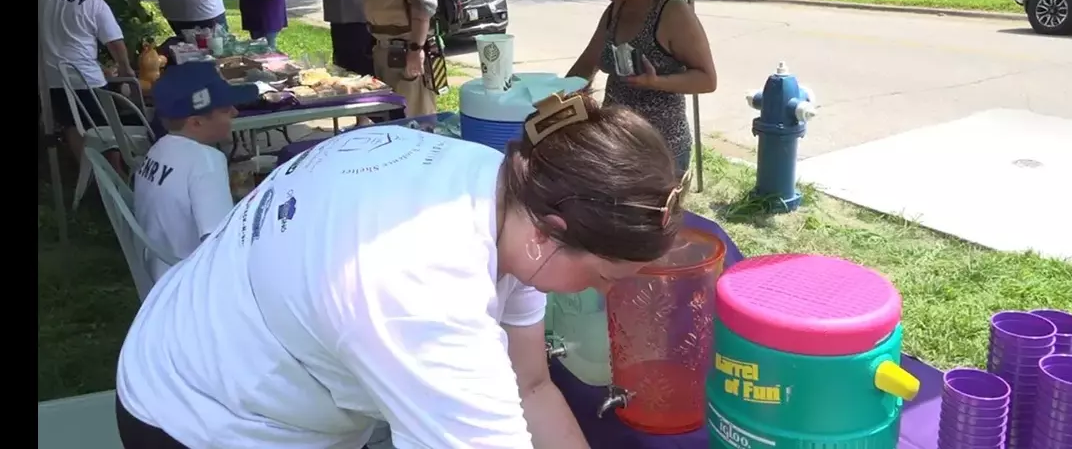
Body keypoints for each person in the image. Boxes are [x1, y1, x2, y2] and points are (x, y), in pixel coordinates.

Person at [115, 89, 686, 449]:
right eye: (605, 279)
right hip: (195, 415)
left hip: (234, 346)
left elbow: (531, 385)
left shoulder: (512, 189)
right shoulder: (421, 291)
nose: (603, 295)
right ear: (552, 236)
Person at [566, 0, 717, 176]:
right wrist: (558, 103)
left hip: (661, 156)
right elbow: (587, 64)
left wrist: (657, 82)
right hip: (618, 148)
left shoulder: (672, 13)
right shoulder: (616, 9)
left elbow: (707, 79)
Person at [132, 62, 256, 281]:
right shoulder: (205, 162)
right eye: (226, 110)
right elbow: (220, 243)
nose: (235, 112)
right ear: (196, 122)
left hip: (160, 272)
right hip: (191, 284)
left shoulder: (158, 149)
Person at [38, 0, 136, 162]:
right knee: (106, 131)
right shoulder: (94, 4)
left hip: (50, 78)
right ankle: (114, 176)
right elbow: (115, 43)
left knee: (72, 125)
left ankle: (89, 170)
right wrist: (125, 69)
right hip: (85, 80)